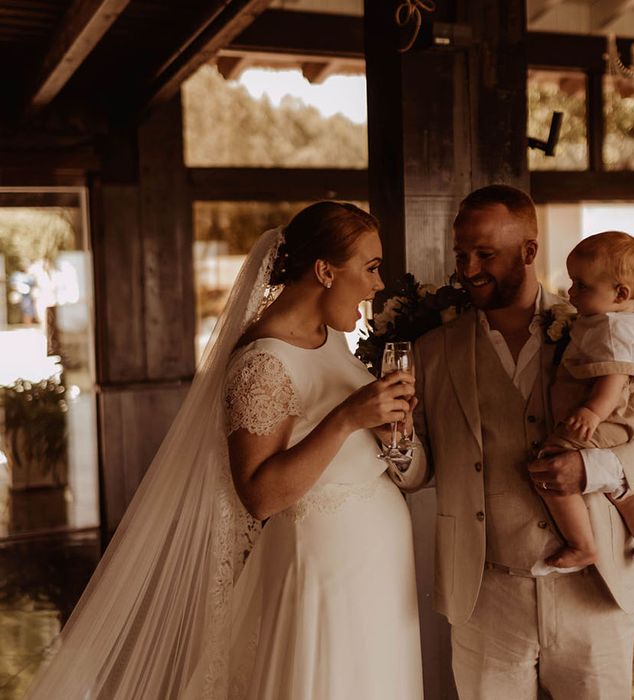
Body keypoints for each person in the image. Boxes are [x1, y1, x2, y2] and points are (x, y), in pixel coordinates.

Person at [25, 202, 423, 700]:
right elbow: (259, 496)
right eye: (370, 268)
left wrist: (391, 436)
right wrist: (345, 419)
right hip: (325, 579)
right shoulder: (263, 363)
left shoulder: (331, 340)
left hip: (378, 575)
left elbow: (398, 465)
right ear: (324, 271)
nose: (377, 284)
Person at [397, 185, 634, 699]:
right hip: (486, 594)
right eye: (461, 254)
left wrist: (597, 469)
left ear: (529, 252)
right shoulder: (432, 351)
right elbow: (421, 469)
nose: (468, 269)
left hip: (596, 594)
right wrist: (395, 442)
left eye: (486, 254)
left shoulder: (604, 324)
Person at [538, 231, 634, 572]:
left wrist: (592, 411)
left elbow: (615, 375)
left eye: (581, 285)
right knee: (626, 490)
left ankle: (582, 545)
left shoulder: (610, 328)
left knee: (550, 464)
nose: (570, 293)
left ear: (620, 293)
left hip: (609, 410)